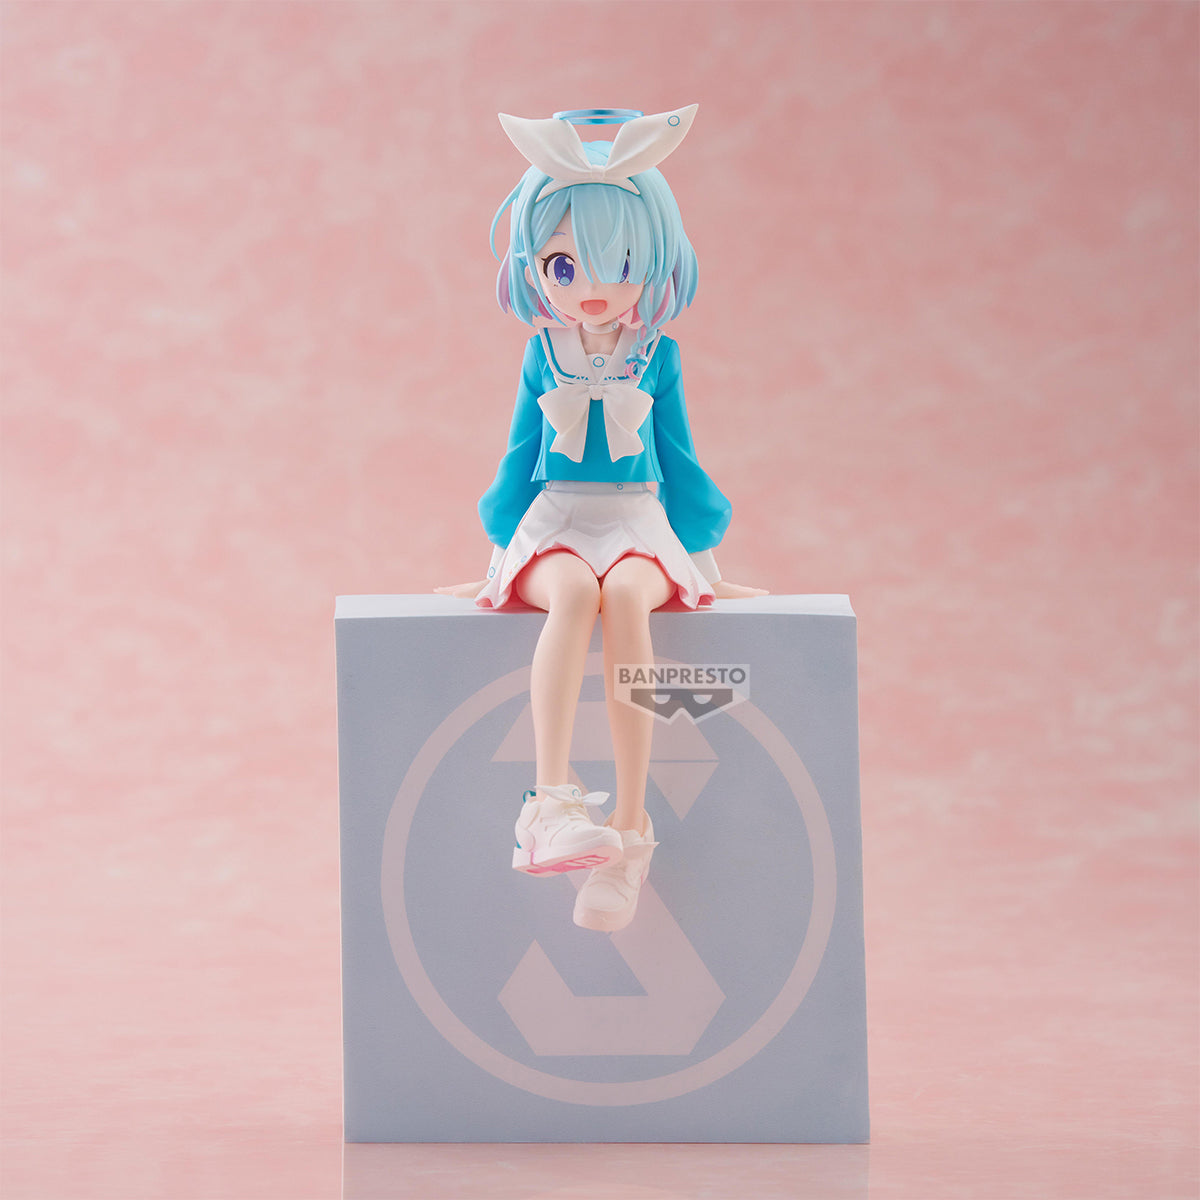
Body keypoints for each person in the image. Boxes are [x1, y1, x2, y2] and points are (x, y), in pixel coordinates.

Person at [437, 106, 765, 932]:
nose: (591, 285)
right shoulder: (542, 352)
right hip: (557, 516)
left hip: (637, 518)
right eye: (562, 262)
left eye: (620, 263)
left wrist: (707, 563)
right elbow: (519, 454)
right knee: (574, 594)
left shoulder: (657, 355)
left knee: (623, 598)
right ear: (535, 267)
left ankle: (628, 828)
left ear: (654, 262)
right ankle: (549, 803)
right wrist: (495, 554)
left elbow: (678, 459)